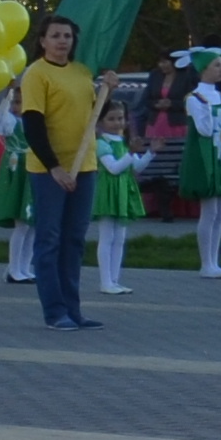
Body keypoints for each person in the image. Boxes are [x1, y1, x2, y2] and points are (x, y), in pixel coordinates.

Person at [7, 13, 100, 331]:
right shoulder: (36, 74)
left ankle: (74, 310)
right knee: (50, 238)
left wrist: (108, 89)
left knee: (75, 239)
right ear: (43, 41)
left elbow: (91, 113)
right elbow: (32, 125)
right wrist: (54, 168)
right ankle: (54, 311)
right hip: (51, 170)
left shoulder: (82, 72)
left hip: (85, 165)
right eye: (56, 36)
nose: (62, 41)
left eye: (68, 36)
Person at [170, 45, 221, 278]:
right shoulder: (195, 98)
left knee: (220, 210)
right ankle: (206, 263)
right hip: (207, 157)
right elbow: (204, 130)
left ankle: (215, 261)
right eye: (217, 65)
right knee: (209, 210)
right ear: (203, 69)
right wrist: (207, 111)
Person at [85, 88, 149, 301]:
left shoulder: (122, 142)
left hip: (122, 191)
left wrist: (151, 152)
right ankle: (105, 281)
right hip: (108, 191)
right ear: (101, 121)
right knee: (107, 237)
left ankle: (114, 279)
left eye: (120, 118)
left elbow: (136, 167)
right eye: (111, 119)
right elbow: (113, 168)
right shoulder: (101, 143)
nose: (117, 123)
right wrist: (130, 154)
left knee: (119, 238)